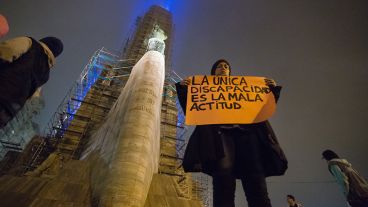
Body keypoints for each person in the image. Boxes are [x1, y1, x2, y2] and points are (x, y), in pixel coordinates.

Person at [175, 59, 288, 207]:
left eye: (226, 66)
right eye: (219, 66)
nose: (223, 67)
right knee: (224, 183)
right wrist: (184, 90)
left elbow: (262, 108)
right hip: (221, 139)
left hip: (248, 139)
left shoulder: (245, 88)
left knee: (257, 185)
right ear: (213, 72)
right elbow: (193, 109)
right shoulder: (205, 89)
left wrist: (271, 91)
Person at [0, 36, 63, 128]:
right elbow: (32, 97)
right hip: (8, 112)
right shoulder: (45, 75)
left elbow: (7, 50)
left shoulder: (31, 44)